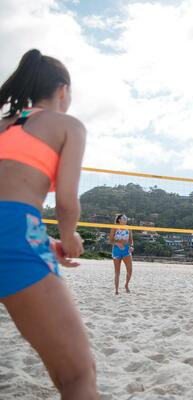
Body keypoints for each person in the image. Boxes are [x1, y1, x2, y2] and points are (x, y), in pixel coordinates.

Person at [0, 49, 97, 398]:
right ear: (62, 90)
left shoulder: (4, 125)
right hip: (13, 228)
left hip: (16, 230)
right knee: (78, 375)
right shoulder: (67, 125)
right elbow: (66, 202)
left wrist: (40, 240)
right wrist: (68, 236)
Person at [109, 214, 134, 295]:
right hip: (116, 250)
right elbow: (110, 240)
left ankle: (126, 285)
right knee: (117, 272)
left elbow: (131, 240)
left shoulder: (128, 228)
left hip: (126, 250)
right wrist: (117, 243)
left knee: (130, 271)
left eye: (126, 218)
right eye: (123, 218)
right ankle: (116, 290)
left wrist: (131, 246)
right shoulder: (114, 227)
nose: (125, 219)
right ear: (119, 220)